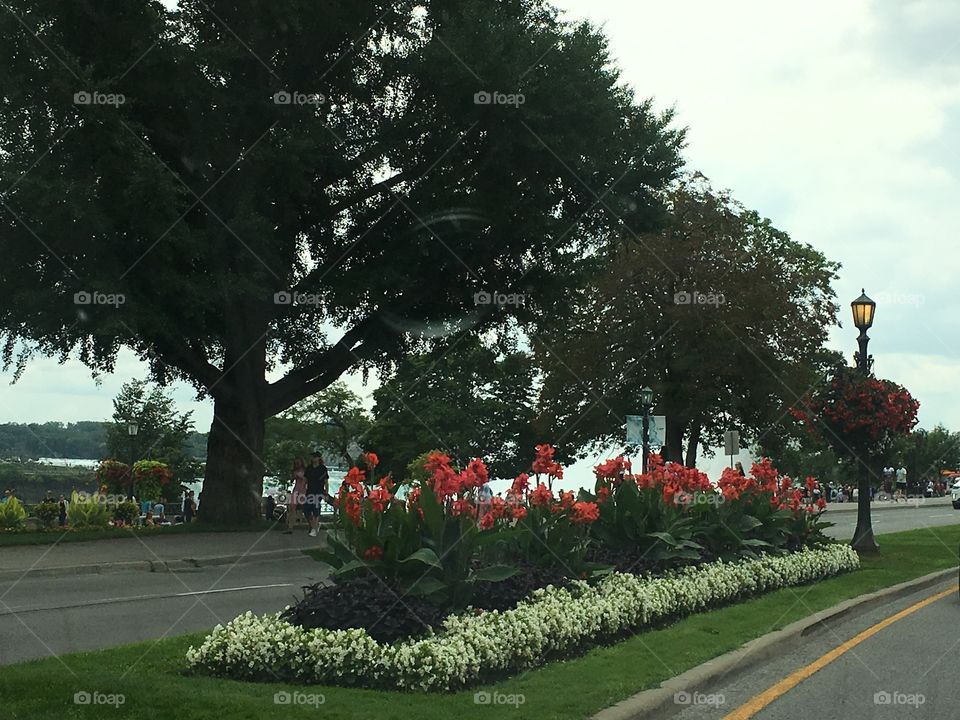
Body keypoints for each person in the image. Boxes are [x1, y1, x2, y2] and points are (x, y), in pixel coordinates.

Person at [303, 453, 329, 537]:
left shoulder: (322, 469)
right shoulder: (309, 468)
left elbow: (326, 482)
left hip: (319, 491)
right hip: (309, 491)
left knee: (315, 508)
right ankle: (314, 525)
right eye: (312, 457)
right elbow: (305, 480)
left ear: (319, 458)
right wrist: (303, 491)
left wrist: (326, 493)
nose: (313, 459)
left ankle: (314, 529)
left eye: (315, 457)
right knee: (306, 509)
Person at [285, 458, 307, 534]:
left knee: (305, 508)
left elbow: (306, 479)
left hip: (303, 490)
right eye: (296, 463)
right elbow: (292, 480)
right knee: (292, 507)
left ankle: (312, 525)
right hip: (296, 490)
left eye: (298, 462)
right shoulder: (295, 471)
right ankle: (290, 527)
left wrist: (301, 476)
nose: (297, 464)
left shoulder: (305, 470)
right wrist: (293, 476)